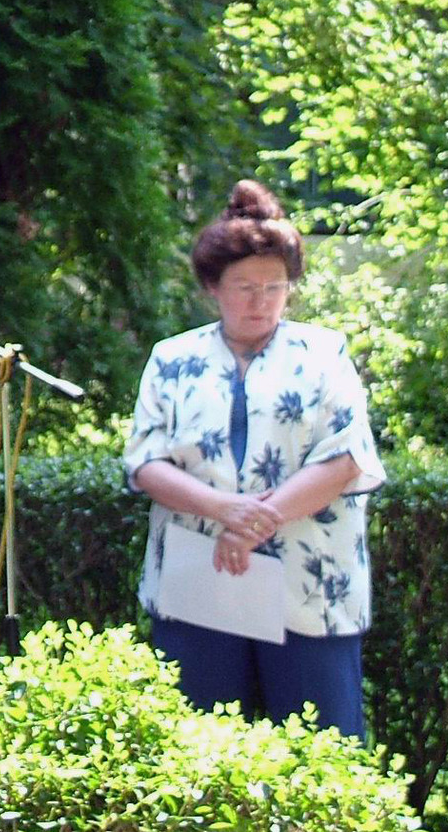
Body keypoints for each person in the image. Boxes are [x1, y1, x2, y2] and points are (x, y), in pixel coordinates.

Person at [123, 179, 384, 739]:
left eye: (274, 287)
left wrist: (252, 523)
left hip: (312, 585)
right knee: (195, 750)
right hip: (199, 581)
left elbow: (345, 457)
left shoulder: (325, 353)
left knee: (322, 750)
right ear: (212, 287)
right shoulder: (172, 359)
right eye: (244, 287)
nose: (260, 301)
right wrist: (224, 510)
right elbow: (145, 460)